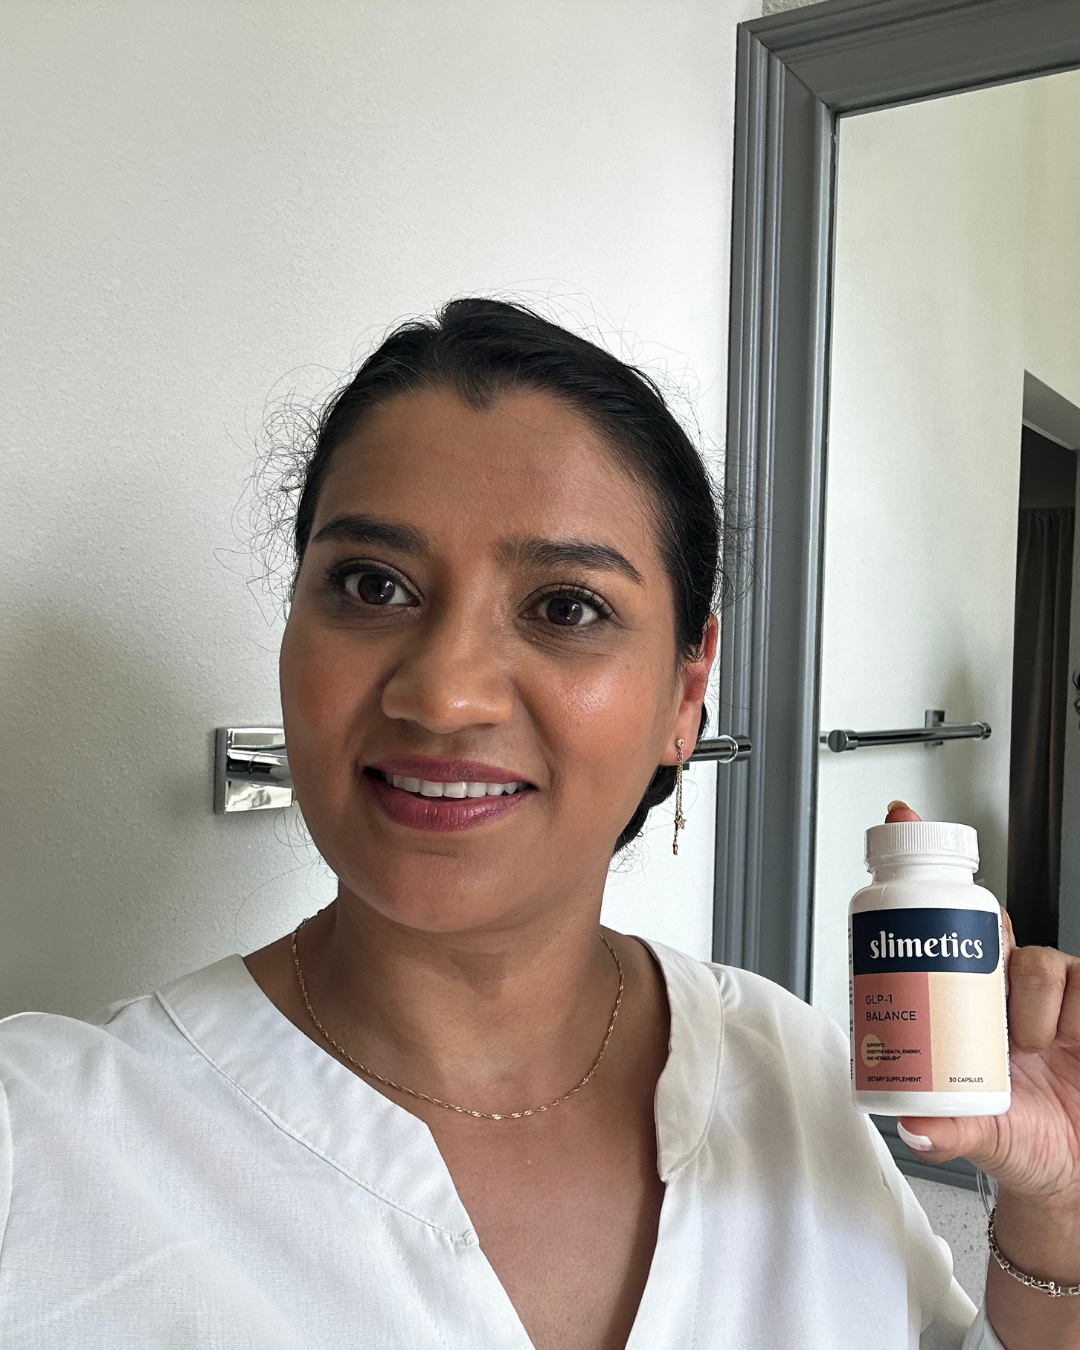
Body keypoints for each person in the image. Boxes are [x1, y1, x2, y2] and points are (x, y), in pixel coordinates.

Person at [1, 300, 1078, 1350]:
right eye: (372, 585)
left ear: (685, 691)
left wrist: (1059, 1218)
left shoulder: (782, 1063)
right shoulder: (43, 1142)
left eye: (567, 607)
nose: (444, 695)